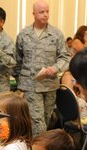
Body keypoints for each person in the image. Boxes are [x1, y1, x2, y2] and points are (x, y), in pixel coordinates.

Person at [14, 0, 70, 135]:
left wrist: (56, 68)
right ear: (33, 14)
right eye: (41, 12)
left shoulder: (56, 34)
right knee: (38, 123)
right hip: (31, 85)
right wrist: (21, 83)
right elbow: (18, 61)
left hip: (50, 85)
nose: (45, 15)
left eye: (47, 11)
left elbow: (65, 57)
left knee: (46, 119)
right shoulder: (24, 34)